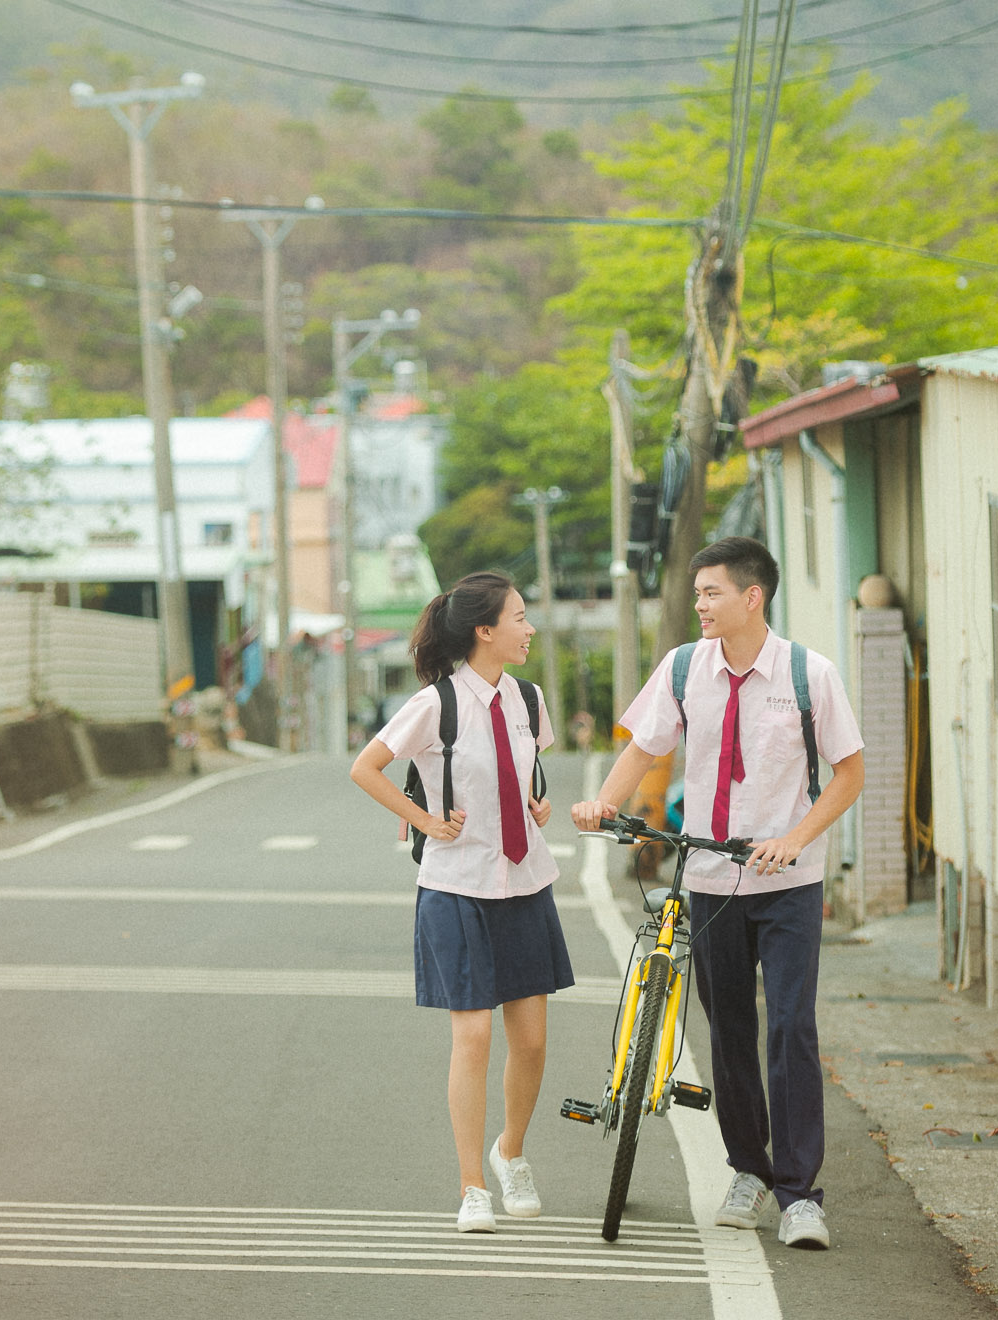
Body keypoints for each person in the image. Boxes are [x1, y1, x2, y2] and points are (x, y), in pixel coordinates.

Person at [572, 535, 864, 1252]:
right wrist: (602, 803)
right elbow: (646, 745)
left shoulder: (806, 673)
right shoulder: (682, 669)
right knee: (728, 1030)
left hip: (786, 882)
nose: (699, 604)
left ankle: (800, 1193)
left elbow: (850, 772)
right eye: (697, 593)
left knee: (789, 1027)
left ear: (751, 597)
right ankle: (749, 1171)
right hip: (708, 880)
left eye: (710, 593)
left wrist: (796, 836)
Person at [351, 572, 573, 1233]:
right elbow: (366, 767)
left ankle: (511, 1152)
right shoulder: (435, 705)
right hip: (456, 886)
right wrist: (423, 822)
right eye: (519, 618)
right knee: (472, 1035)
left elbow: (525, 770)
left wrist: (538, 803)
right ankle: (471, 1185)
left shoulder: (529, 700)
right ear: (484, 631)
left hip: (524, 881)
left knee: (530, 1041)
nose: (528, 629)